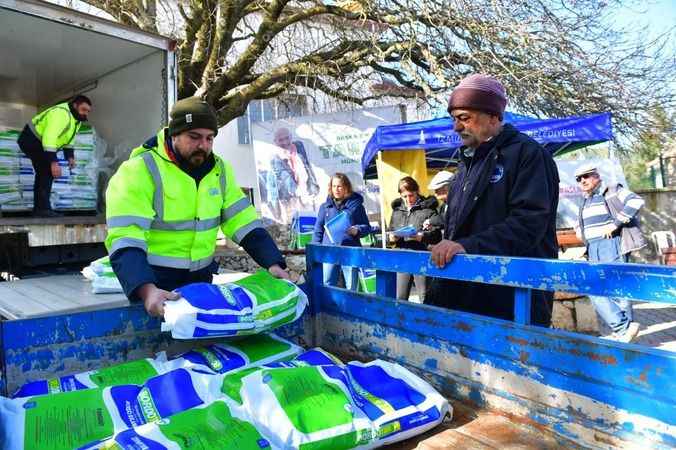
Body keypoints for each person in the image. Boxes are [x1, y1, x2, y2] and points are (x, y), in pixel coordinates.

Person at [105, 97, 289, 317]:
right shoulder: (139, 170)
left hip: (201, 284)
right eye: (194, 137)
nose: (203, 146)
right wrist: (146, 291)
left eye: (209, 138)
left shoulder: (219, 170)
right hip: (156, 286)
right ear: (174, 134)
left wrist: (273, 262)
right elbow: (126, 236)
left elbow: (242, 221)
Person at [428, 74, 559, 326]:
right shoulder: (466, 163)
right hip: (467, 295)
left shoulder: (528, 155)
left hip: (511, 297)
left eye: (465, 118)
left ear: (494, 116)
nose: (456, 127)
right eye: (454, 119)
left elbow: (528, 223)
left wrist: (467, 246)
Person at [574, 163, 645, 342]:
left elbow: (636, 201)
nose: (583, 180)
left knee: (617, 289)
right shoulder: (584, 199)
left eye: (587, 176)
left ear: (597, 176)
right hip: (593, 247)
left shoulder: (611, 190)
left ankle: (623, 331)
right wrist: (581, 234)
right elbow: (581, 223)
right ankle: (624, 329)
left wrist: (615, 224)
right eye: (579, 179)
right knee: (594, 287)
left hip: (611, 244)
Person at [17, 95, 92, 217]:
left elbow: (69, 139)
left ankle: (40, 209)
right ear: (75, 106)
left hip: (39, 142)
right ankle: (42, 210)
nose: (85, 113)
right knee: (46, 171)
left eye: (88, 111)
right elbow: (49, 137)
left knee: (44, 173)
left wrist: (70, 156)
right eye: (83, 109)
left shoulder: (76, 120)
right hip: (31, 139)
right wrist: (53, 162)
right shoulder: (61, 114)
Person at [312, 173, 371, 290]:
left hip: (350, 250)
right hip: (329, 251)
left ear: (346, 188)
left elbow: (366, 227)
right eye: (334, 186)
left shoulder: (356, 206)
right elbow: (318, 230)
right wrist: (316, 250)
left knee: (352, 287)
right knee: (327, 284)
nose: (336, 189)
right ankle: (328, 308)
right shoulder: (325, 207)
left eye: (339, 186)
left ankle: (351, 308)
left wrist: (357, 230)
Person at [389, 176, 442, 303]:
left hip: (422, 256)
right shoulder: (397, 211)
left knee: (425, 297)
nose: (408, 199)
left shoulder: (428, 209)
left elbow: (437, 236)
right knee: (401, 298)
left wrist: (421, 237)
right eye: (404, 196)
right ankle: (401, 322)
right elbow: (390, 230)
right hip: (403, 257)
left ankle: (427, 322)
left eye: (411, 195)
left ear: (417, 191)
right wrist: (392, 238)